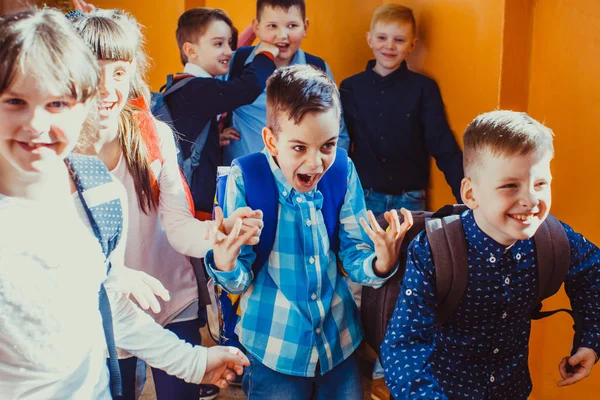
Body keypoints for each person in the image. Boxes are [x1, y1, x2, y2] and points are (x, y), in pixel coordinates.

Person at [0, 8, 248, 399]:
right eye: (15, 101)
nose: (37, 124)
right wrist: (111, 278)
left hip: (166, 304)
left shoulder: (109, 179)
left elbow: (120, 296)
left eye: (56, 103)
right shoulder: (42, 179)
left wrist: (215, 237)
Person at [69, 9, 261, 400]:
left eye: (119, 72)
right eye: (95, 69)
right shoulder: (57, 152)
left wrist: (218, 235)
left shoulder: (151, 134)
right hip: (102, 310)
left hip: (170, 299)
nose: (108, 88)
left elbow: (177, 225)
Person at [207, 64, 413, 399]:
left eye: (328, 146)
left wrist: (381, 263)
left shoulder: (342, 171)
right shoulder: (245, 178)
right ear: (271, 141)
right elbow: (238, 279)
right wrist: (226, 260)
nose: (316, 163)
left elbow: (354, 253)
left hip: (339, 344)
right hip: (273, 349)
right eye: (299, 148)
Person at [381, 110, 600, 399]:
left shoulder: (555, 239)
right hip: (443, 391)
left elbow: (593, 273)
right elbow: (404, 344)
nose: (531, 200)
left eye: (540, 184)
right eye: (510, 185)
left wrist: (590, 341)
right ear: (470, 194)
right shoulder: (434, 251)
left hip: (513, 389)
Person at [340, 3, 463, 212]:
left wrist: (466, 195)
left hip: (411, 199)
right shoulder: (350, 87)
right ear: (369, 39)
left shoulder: (424, 88)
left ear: (412, 45)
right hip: (363, 195)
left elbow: (443, 145)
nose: (389, 46)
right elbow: (340, 144)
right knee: (364, 246)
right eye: (382, 38)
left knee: (409, 246)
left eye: (399, 40)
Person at [166, 7, 279, 220]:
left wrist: (211, 139)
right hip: (194, 204)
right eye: (218, 44)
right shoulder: (196, 89)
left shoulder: (182, 87)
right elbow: (246, 88)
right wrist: (265, 54)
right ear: (191, 50)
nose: (228, 51)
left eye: (230, 43)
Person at [222, 0, 350, 166]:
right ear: (256, 26)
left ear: (305, 27)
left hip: (301, 178)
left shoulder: (318, 69)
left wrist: (330, 174)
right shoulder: (236, 62)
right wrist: (213, 138)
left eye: (292, 26)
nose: (282, 35)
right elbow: (204, 100)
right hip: (243, 177)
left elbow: (337, 131)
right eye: (272, 26)